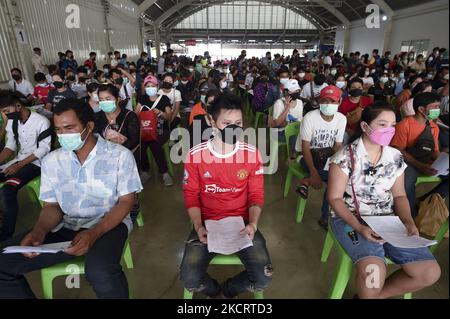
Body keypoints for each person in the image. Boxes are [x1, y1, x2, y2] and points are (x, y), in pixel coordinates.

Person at [0, 98, 143, 298]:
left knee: (100, 271)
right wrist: (39, 231)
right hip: (67, 225)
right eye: (58, 129)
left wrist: (93, 233)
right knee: (3, 261)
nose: (63, 135)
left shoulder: (119, 155)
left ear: (89, 126)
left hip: (109, 224)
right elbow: (52, 206)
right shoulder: (52, 160)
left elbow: (127, 201)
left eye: (69, 128)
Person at [327, 102, 441, 299]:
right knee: (374, 272)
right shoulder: (345, 157)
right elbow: (335, 199)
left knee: (429, 272)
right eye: (382, 124)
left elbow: (399, 196)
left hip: (386, 220)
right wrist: (359, 227)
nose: (389, 130)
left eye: (392, 124)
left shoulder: (395, 157)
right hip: (349, 219)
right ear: (365, 126)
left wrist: (408, 221)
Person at [181, 92, 273, 299]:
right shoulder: (196, 155)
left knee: (263, 277)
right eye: (227, 123)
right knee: (189, 278)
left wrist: (253, 224)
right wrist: (198, 226)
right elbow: (191, 194)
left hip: (242, 224)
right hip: (207, 223)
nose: (234, 128)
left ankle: (228, 290)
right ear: (211, 121)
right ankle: (214, 290)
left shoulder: (251, 154)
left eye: (238, 123)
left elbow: (256, 194)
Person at [0, 92, 51, 241]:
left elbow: (43, 150)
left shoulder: (41, 121)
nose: (5, 116)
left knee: (8, 190)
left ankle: (5, 236)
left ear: (18, 106)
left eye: (6, 112)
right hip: (19, 160)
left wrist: (18, 166)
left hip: (36, 164)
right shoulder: (12, 122)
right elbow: (10, 147)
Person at [391, 92, 449, 218]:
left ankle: (424, 200)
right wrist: (420, 166)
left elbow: (434, 151)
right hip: (407, 162)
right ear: (421, 109)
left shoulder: (434, 127)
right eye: (434, 107)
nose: (437, 110)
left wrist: (443, 161)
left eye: (438, 106)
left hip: (425, 161)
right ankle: (410, 216)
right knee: (406, 183)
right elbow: (398, 150)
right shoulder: (404, 125)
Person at [297, 85, 347, 230]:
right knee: (334, 180)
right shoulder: (310, 117)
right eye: (325, 100)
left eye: (332, 101)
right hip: (308, 157)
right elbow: (305, 147)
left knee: (339, 177)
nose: (328, 104)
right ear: (319, 101)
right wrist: (313, 173)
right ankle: (325, 218)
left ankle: (306, 182)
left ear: (339, 101)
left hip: (327, 157)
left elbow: (337, 146)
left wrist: (337, 164)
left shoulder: (341, 119)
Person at [136, 75, 174, 187]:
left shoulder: (164, 99)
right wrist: (141, 112)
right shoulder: (142, 99)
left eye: (152, 86)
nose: (150, 88)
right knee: (140, 143)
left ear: (157, 86)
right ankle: (145, 171)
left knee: (155, 143)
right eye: (147, 86)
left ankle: (164, 172)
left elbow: (169, 117)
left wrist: (160, 113)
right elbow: (136, 113)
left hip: (161, 130)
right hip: (145, 129)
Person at [271, 79, 304, 157]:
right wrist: (287, 108)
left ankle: (301, 157)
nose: (296, 93)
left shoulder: (300, 102)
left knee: (306, 135)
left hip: (296, 131)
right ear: (285, 92)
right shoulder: (279, 103)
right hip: (280, 132)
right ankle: (292, 157)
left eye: (298, 91)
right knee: (295, 136)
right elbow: (277, 123)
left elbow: (300, 120)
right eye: (293, 91)